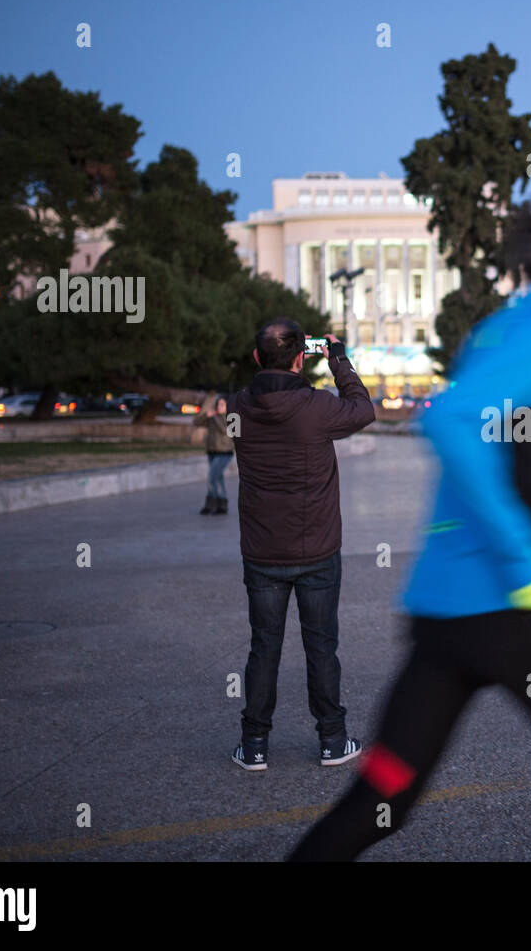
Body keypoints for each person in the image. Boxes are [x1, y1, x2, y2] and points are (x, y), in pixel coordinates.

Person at [287, 185, 531, 863]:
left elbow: (514, 444)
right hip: (508, 611)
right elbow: (454, 421)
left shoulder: (525, 329)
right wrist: (530, 562)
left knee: (383, 800)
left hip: (448, 616)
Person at [224, 321, 375, 770]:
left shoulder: (238, 408)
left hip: (262, 551)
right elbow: (363, 410)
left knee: (263, 647)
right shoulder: (316, 407)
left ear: (255, 358)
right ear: (300, 357)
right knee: (321, 646)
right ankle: (332, 741)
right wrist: (338, 360)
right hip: (318, 550)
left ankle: (254, 746)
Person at [193, 394, 234, 515]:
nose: (219, 407)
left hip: (225, 453)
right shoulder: (212, 416)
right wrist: (206, 415)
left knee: (212, 477)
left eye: (222, 404)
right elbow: (196, 422)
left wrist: (216, 417)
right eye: (218, 404)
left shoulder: (233, 417)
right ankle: (222, 504)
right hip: (212, 451)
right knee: (218, 478)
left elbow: (227, 431)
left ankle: (210, 504)